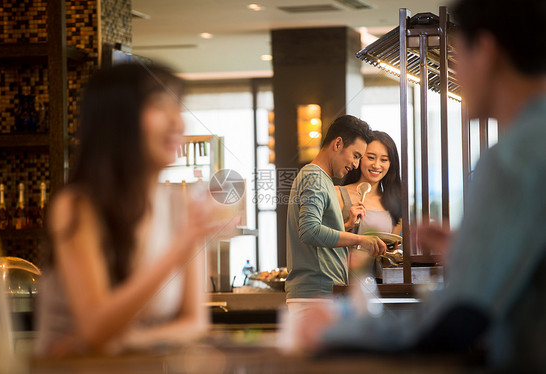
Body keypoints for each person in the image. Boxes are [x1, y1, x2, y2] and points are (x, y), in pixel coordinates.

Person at [294, 0, 546, 369]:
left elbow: (459, 319)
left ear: (487, 53)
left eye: (459, 56)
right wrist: (470, 254)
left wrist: (334, 333)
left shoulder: (512, 159)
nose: (455, 71)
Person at [35, 63, 237, 357]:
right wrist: (179, 248)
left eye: (178, 107)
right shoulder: (76, 207)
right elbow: (95, 327)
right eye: (159, 105)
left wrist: (130, 341)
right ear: (117, 120)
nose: (178, 122)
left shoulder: (177, 205)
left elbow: (194, 322)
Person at [285, 115, 387, 316]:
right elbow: (309, 231)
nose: (356, 165)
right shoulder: (314, 177)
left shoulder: (323, 179)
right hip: (314, 295)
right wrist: (361, 239)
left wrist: (346, 225)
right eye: (356, 155)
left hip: (321, 294)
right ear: (338, 143)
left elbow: (315, 231)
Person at [336, 131, 402, 282]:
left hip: (379, 284)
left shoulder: (395, 205)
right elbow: (321, 239)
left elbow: (389, 258)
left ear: (391, 164)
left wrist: (390, 251)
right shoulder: (338, 194)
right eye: (371, 157)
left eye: (384, 160)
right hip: (341, 282)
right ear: (359, 158)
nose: (376, 165)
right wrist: (347, 225)